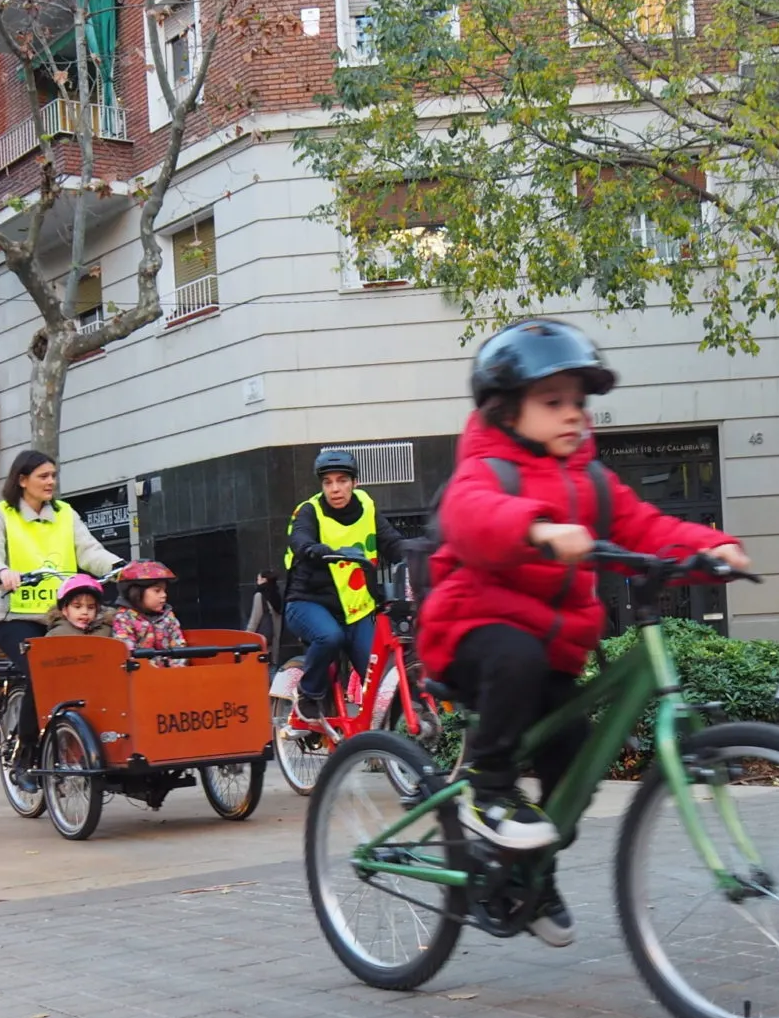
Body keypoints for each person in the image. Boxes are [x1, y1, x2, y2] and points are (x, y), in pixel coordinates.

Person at [418, 318, 750, 946]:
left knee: (573, 761)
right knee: (513, 657)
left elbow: (646, 526)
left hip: (553, 649)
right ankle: (486, 790)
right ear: (508, 412)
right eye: (553, 402)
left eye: (579, 402)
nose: (573, 414)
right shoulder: (486, 470)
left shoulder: (592, 480)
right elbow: (471, 516)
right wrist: (538, 529)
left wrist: (716, 546)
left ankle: (528, 877)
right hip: (473, 630)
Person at [285, 449, 404, 719]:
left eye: (342, 481)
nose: (335, 489)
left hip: (356, 610)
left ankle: (385, 745)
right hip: (308, 602)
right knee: (329, 636)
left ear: (355, 482)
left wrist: (417, 554)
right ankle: (309, 693)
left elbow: (392, 543)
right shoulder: (309, 511)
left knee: (381, 679)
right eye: (328, 482)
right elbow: (300, 538)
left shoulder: (367, 506)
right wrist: (312, 549)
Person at [0, 450, 122, 662]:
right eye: (43, 476)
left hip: (62, 616)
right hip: (16, 617)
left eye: (53, 475)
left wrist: (119, 567)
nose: (51, 481)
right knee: (41, 672)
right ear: (22, 480)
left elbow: (89, 550)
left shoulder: (65, 513)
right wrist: (2, 572)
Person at [110, 561, 188, 662]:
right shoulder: (124, 619)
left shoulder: (168, 617)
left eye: (164, 590)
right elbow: (127, 653)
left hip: (170, 674)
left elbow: (179, 646)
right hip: (141, 675)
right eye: (157, 590)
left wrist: (176, 669)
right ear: (137, 593)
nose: (164, 595)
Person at [46, 575, 113, 637]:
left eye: (91, 607)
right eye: (77, 607)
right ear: (64, 610)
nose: (85, 612)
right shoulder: (56, 634)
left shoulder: (106, 632)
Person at [246, 570, 284, 649]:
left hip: (263, 638)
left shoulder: (260, 595)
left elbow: (255, 619)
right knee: (273, 659)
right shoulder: (277, 594)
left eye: (258, 579)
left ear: (264, 580)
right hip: (275, 637)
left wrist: (247, 635)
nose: (257, 582)